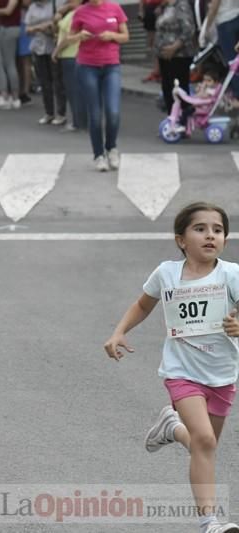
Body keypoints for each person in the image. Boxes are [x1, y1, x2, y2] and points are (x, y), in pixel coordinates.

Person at [104, 202, 239, 533]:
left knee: (202, 446)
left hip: (222, 374)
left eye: (218, 230)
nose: (211, 235)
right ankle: (210, 522)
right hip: (182, 372)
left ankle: (171, 427)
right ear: (181, 240)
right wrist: (119, 332)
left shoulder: (232, 274)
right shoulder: (166, 273)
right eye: (200, 229)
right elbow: (143, 304)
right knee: (205, 440)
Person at [69, 0, 128, 172]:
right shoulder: (80, 12)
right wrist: (79, 36)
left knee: (113, 112)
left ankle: (111, 147)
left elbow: (126, 36)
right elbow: (69, 38)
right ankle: (98, 155)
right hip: (87, 67)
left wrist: (112, 36)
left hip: (111, 66)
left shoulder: (115, 7)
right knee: (95, 114)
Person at [153, 0, 196, 114]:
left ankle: (182, 117)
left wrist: (174, 47)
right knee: (167, 89)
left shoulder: (181, 5)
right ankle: (172, 117)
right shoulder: (166, 7)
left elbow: (188, 29)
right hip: (164, 56)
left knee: (178, 88)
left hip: (179, 55)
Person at [25, 0, 62, 125]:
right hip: (38, 47)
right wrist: (39, 27)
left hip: (53, 48)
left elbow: (59, 24)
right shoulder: (33, 7)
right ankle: (49, 112)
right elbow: (27, 29)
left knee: (57, 82)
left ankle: (61, 113)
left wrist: (48, 27)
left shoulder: (56, 4)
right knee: (44, 82)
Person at [52, 0, 87, 132]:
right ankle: (79, 120)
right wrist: (60, 13)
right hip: (69, 55)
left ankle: (78, 122)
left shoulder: (77, 13)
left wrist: (56, 51)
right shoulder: (71, 13)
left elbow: (68, 37)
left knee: (74, 91)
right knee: (74, 90)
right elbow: (57, 28)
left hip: (71, 54)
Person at [0, 0, 22, 109]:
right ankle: (5, 95)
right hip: (0, 25)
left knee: (9, 63)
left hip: (10, 27)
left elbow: (8, 11)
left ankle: (14, 97)